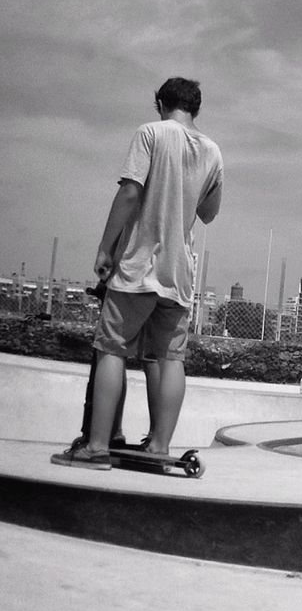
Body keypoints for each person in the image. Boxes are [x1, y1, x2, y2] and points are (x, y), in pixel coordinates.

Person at [52, 77, 223, 469]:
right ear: (195, 109)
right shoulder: (213, 151)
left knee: (111, 347)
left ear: (161, 103)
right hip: (179, 273)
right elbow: (209, 213)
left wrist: (105, 247)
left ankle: (96, 447)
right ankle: (160, 447)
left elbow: (130, 192)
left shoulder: (151, 133)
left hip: (140, 264)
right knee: (170, 358)